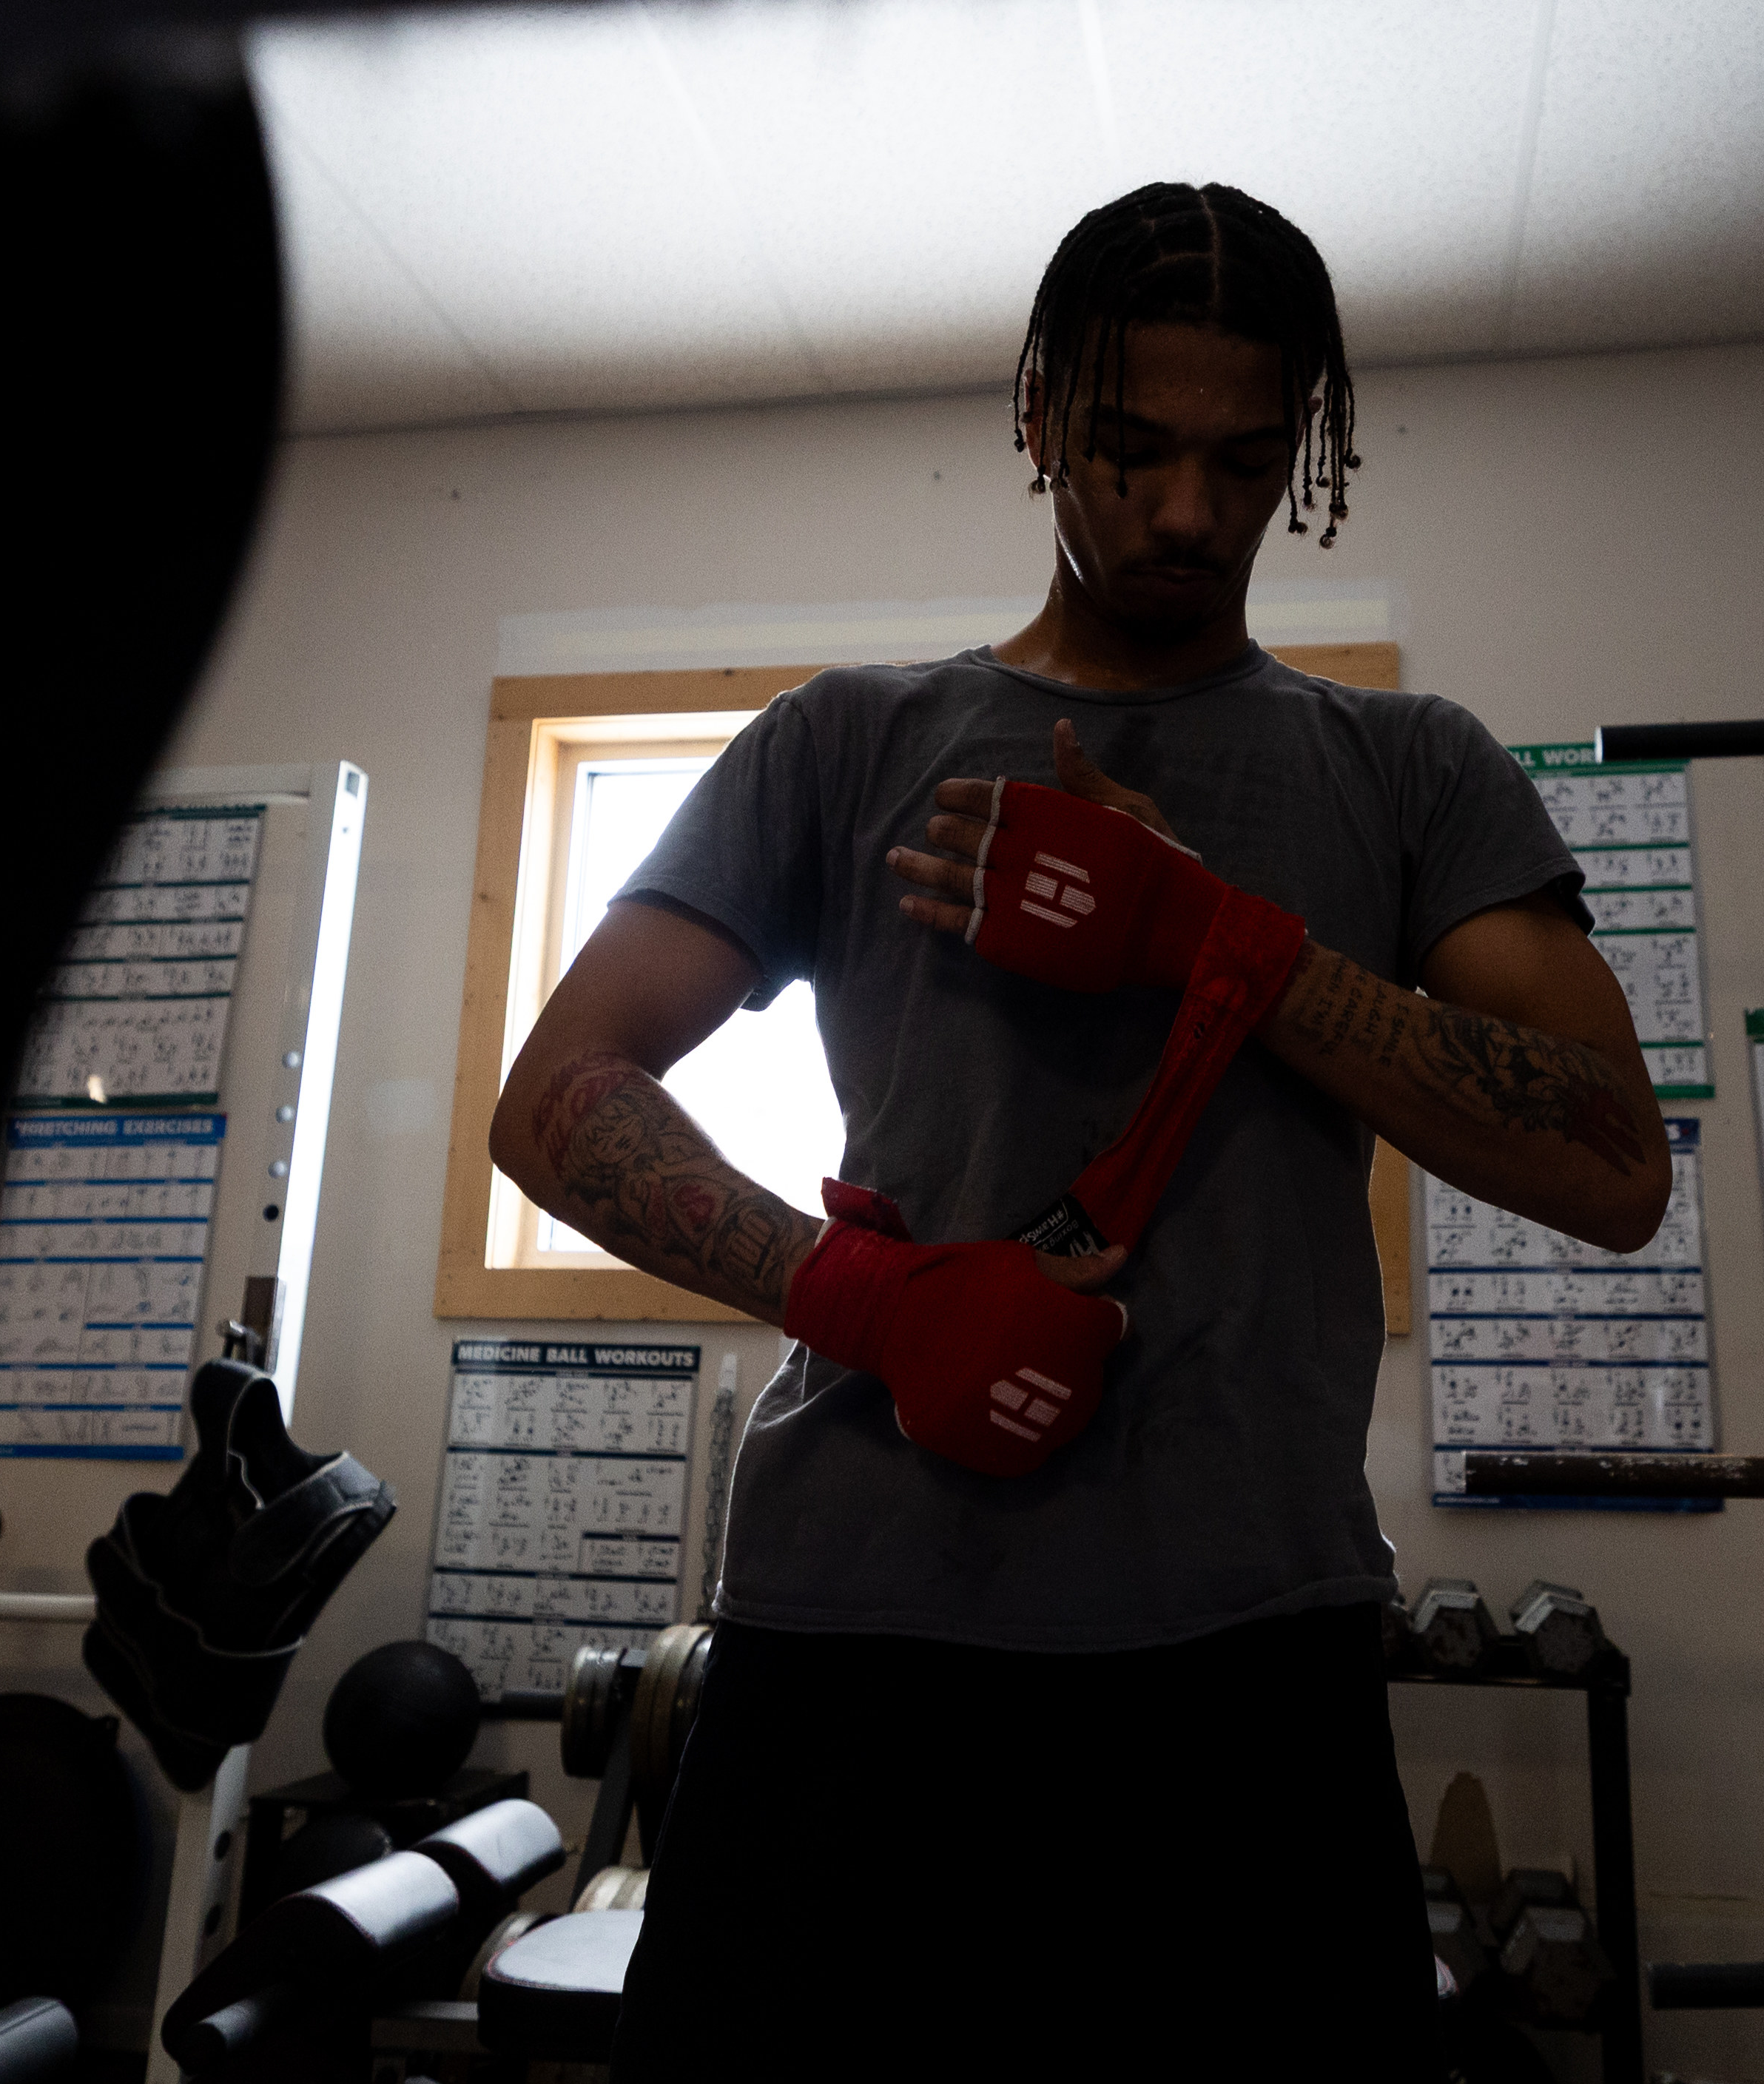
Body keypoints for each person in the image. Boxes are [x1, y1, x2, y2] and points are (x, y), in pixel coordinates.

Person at [489, 181, 1669, 2080]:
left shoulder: (1403, 770)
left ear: (1303, 450)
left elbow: (1614, 1159)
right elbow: (557, 1097)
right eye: (1130, 449)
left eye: (1241, 456)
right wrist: (865, 1297)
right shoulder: (846, 740)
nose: (1189, 512)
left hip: (1245, 1663)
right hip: (854, 1649)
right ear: (1039, 419)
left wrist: (1227, 944)